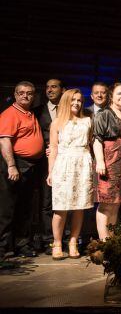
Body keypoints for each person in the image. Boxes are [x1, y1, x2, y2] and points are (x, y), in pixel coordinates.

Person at [46, 89, 93, 260]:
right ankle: (57, 243)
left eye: (79, 100)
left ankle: (73, 242)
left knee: (79, 207)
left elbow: (91, 144)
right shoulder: (57, 123)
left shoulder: (88, 121)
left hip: (82, 163)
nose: (76, 103)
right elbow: (54, 148)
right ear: (66, 101)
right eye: (73, 100)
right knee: (61, 207)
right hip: (63, 164)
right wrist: (50, 171)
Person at [0, 81, 45, 258]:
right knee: (8, 207)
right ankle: (3, 247)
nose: (25, 96)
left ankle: (22, 243)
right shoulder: (10, 114)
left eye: (29, 93)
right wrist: (12, 166)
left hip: (31, 165)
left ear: (34, 95)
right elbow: (4, 141)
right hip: (15, 164)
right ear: (15, 94)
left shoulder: (30, 113)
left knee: (25, 208)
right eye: (21, 93)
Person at [92, 82, 121, 240]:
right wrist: (101, 162)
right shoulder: (105, 113)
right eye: (119, 93)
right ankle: (104, 240)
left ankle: (112, 238)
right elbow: (97, 139)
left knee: (116, 203)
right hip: (109, 163)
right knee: (106, 203)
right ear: (111, 96)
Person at [35, 78, 64, 255]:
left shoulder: (70, 110)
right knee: (47, 201)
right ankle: (48, 240)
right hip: (46, 162)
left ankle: (65, 237)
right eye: (47, 87)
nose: (50, 90)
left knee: (65, 201)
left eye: (54, 87)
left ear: (62, 89)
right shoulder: (38, 111)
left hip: (67, 159)